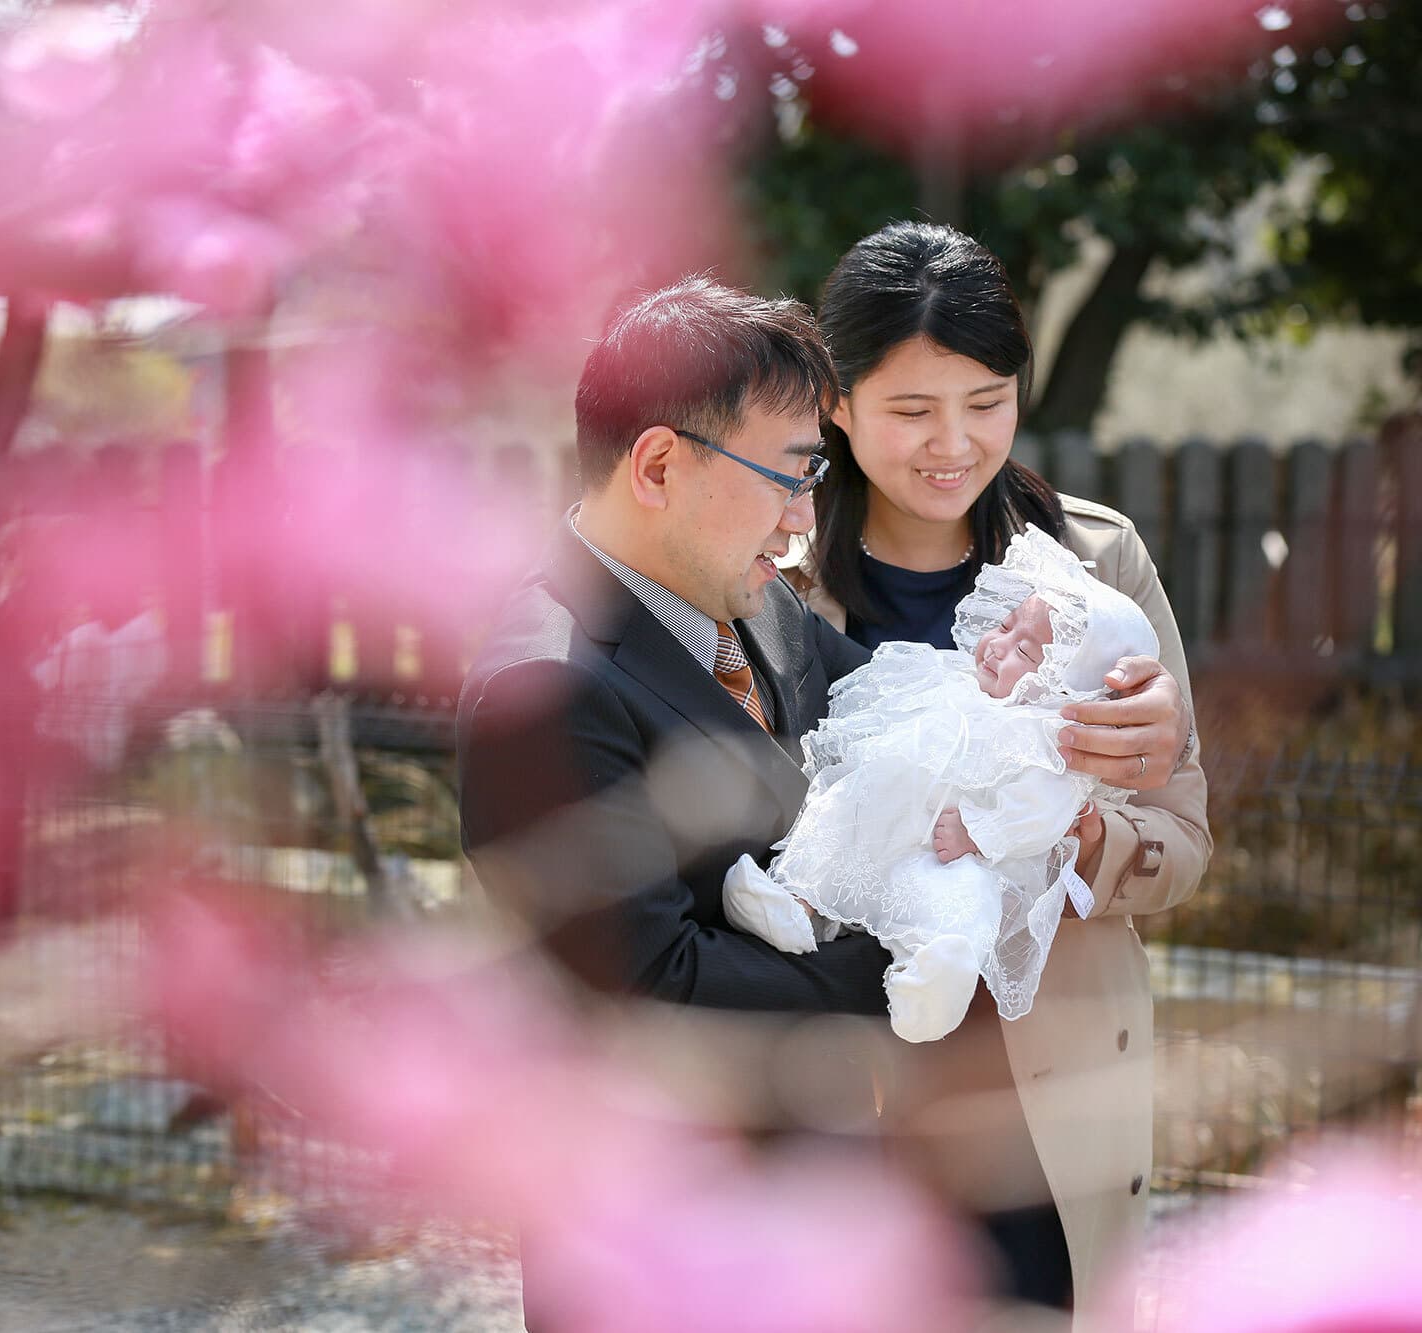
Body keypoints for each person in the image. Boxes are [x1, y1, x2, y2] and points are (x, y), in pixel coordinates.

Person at [455, 275, 1192, 1327]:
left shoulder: (745, 603)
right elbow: (654, 990)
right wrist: (914, 940)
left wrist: (1079, 699)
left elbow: (908, 698)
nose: (803, 519)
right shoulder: (541, 689)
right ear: (659, 464)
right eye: (786, 477)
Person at [785, 220, 1210, 1319]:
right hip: (835, 1082)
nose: (953, 444)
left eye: (985, 402)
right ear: (834, 403)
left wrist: (1074, 832)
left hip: (1045, 1091)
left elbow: (1182, 843)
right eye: (911, 410)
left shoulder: (1095, 563)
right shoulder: (769, 580)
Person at [724, 527, 1162, 1045]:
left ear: (1064, 687)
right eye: (1003, 626)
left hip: (951, 853)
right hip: (884, 816)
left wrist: (980, 830)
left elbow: (1041, 811)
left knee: (962, 897)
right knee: (837, 819)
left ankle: (938, 974)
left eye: (1026, 651)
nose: (998, 647)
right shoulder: (949, 678)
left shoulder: (1048, 743)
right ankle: (792, 901)